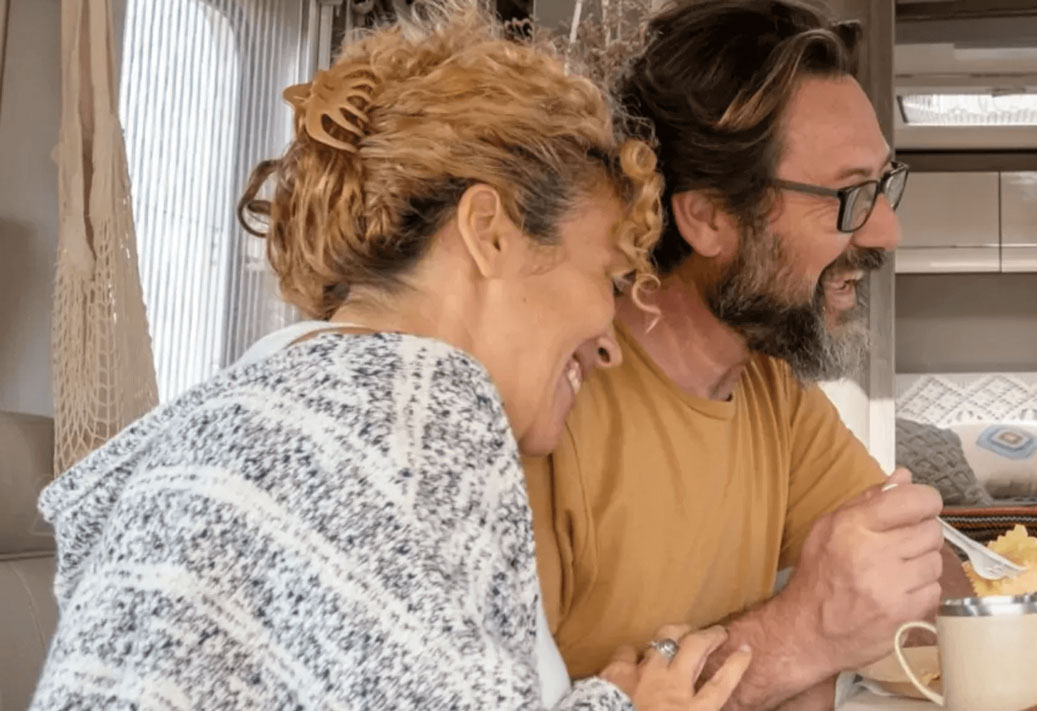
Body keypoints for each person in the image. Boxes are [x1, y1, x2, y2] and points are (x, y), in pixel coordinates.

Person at [32, 4, 745, 709]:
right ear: (489, 232)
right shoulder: (415, 409)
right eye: (606, 278)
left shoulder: (249, 415)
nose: (609, 342)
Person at [520, 2, 962, 709]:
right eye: (850, 195)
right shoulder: (545, 405)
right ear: (709, 217)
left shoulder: (771, 392)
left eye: (883, 185)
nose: (887, 231)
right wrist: (799, 635)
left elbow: (928, 589)